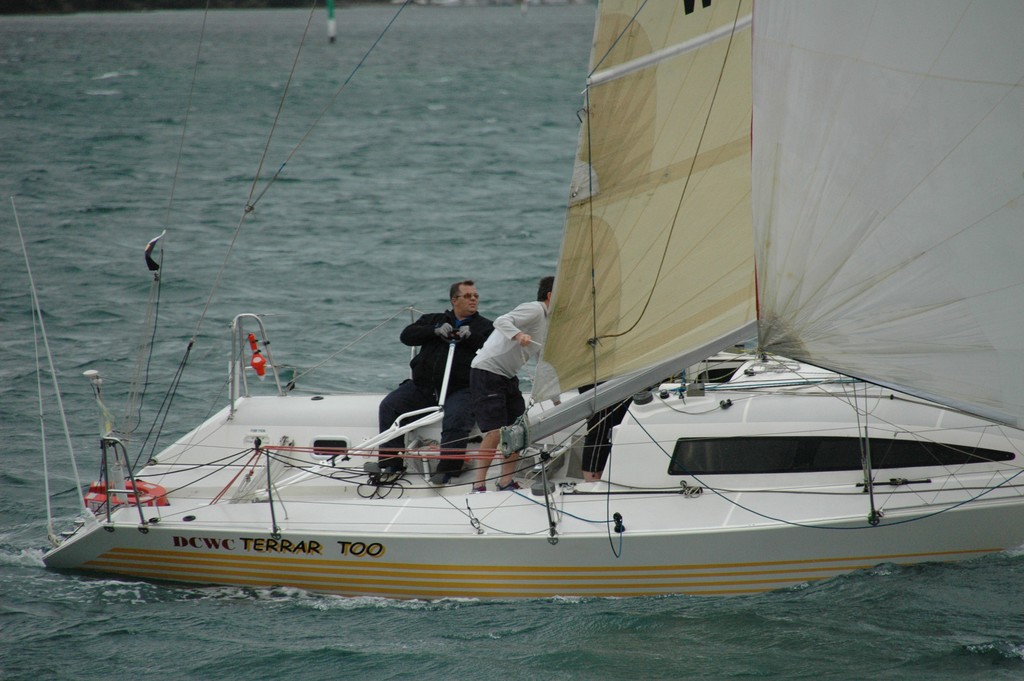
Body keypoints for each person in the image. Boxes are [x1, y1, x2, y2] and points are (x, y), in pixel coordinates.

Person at [377, 280, 493, 482]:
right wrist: (434, 331)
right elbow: (407, 336)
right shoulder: (433, 320)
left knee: (457, 418)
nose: (473, 299)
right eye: (467, 296)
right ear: (454, 300)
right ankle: (390, 464)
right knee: (390, 406)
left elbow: (493, 351)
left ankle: (447, 469)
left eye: (476, 295)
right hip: (424, 387)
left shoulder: (485, 326)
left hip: (461, 388)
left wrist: (472, 337)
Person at [469, 275, 554, 492]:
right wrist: (518, 335)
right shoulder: (535, 309)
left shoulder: (549, 322)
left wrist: (556, 397)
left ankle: (505, 481)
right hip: (487, 371)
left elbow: (543, 362)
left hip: (507, 375)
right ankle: (478, 484)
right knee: (495, 431)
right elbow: (500, 321)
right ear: (551, 296)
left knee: (517, 430)